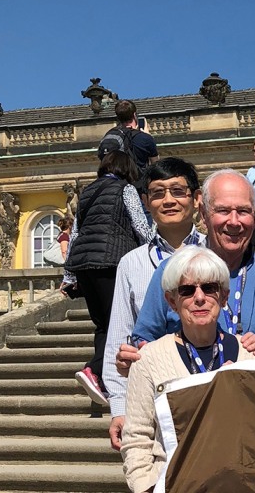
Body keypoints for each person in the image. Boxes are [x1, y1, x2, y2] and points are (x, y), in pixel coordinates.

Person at [126, 170, 255, 360]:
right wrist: (138, 354)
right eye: (223, 211)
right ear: (203, 214)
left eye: (243, 211)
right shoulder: (173, 272)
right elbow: (143, 339)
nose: (234, 222)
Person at [120, 246, 255, 493]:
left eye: (209, 288)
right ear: (172, 301)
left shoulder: (249, 356)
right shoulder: (148, 360)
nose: (200, 297)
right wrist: (146, 487)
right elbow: (137, 438)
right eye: (187, 290)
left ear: (224, 297)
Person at [101, 157, 206, 451]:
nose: (168, 200)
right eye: (158, 193)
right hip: (152, 397)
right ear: (146, 202)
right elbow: (118, 340)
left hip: (209, 390)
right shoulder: (131, 263)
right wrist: (119, 407)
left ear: (197, 199)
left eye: (177, 191)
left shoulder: (214, 254)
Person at [62, 151, 153, 406]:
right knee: (118, 323)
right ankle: (95, 369)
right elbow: (140, 225)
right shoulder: (125, 189)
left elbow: (76, 233)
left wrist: (68, 275)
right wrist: (158, 245)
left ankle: (102, 378)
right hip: (110, 261)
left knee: (102, 324)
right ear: (127, 168)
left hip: (83, 265)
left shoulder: (87, 192)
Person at [105, 99, 159, 171]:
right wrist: (147, 136)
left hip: (117, 181)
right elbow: (156, 165)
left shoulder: (109, 136)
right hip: (138, 180)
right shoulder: (145, 138)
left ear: (118, 118)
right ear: (134, 115)